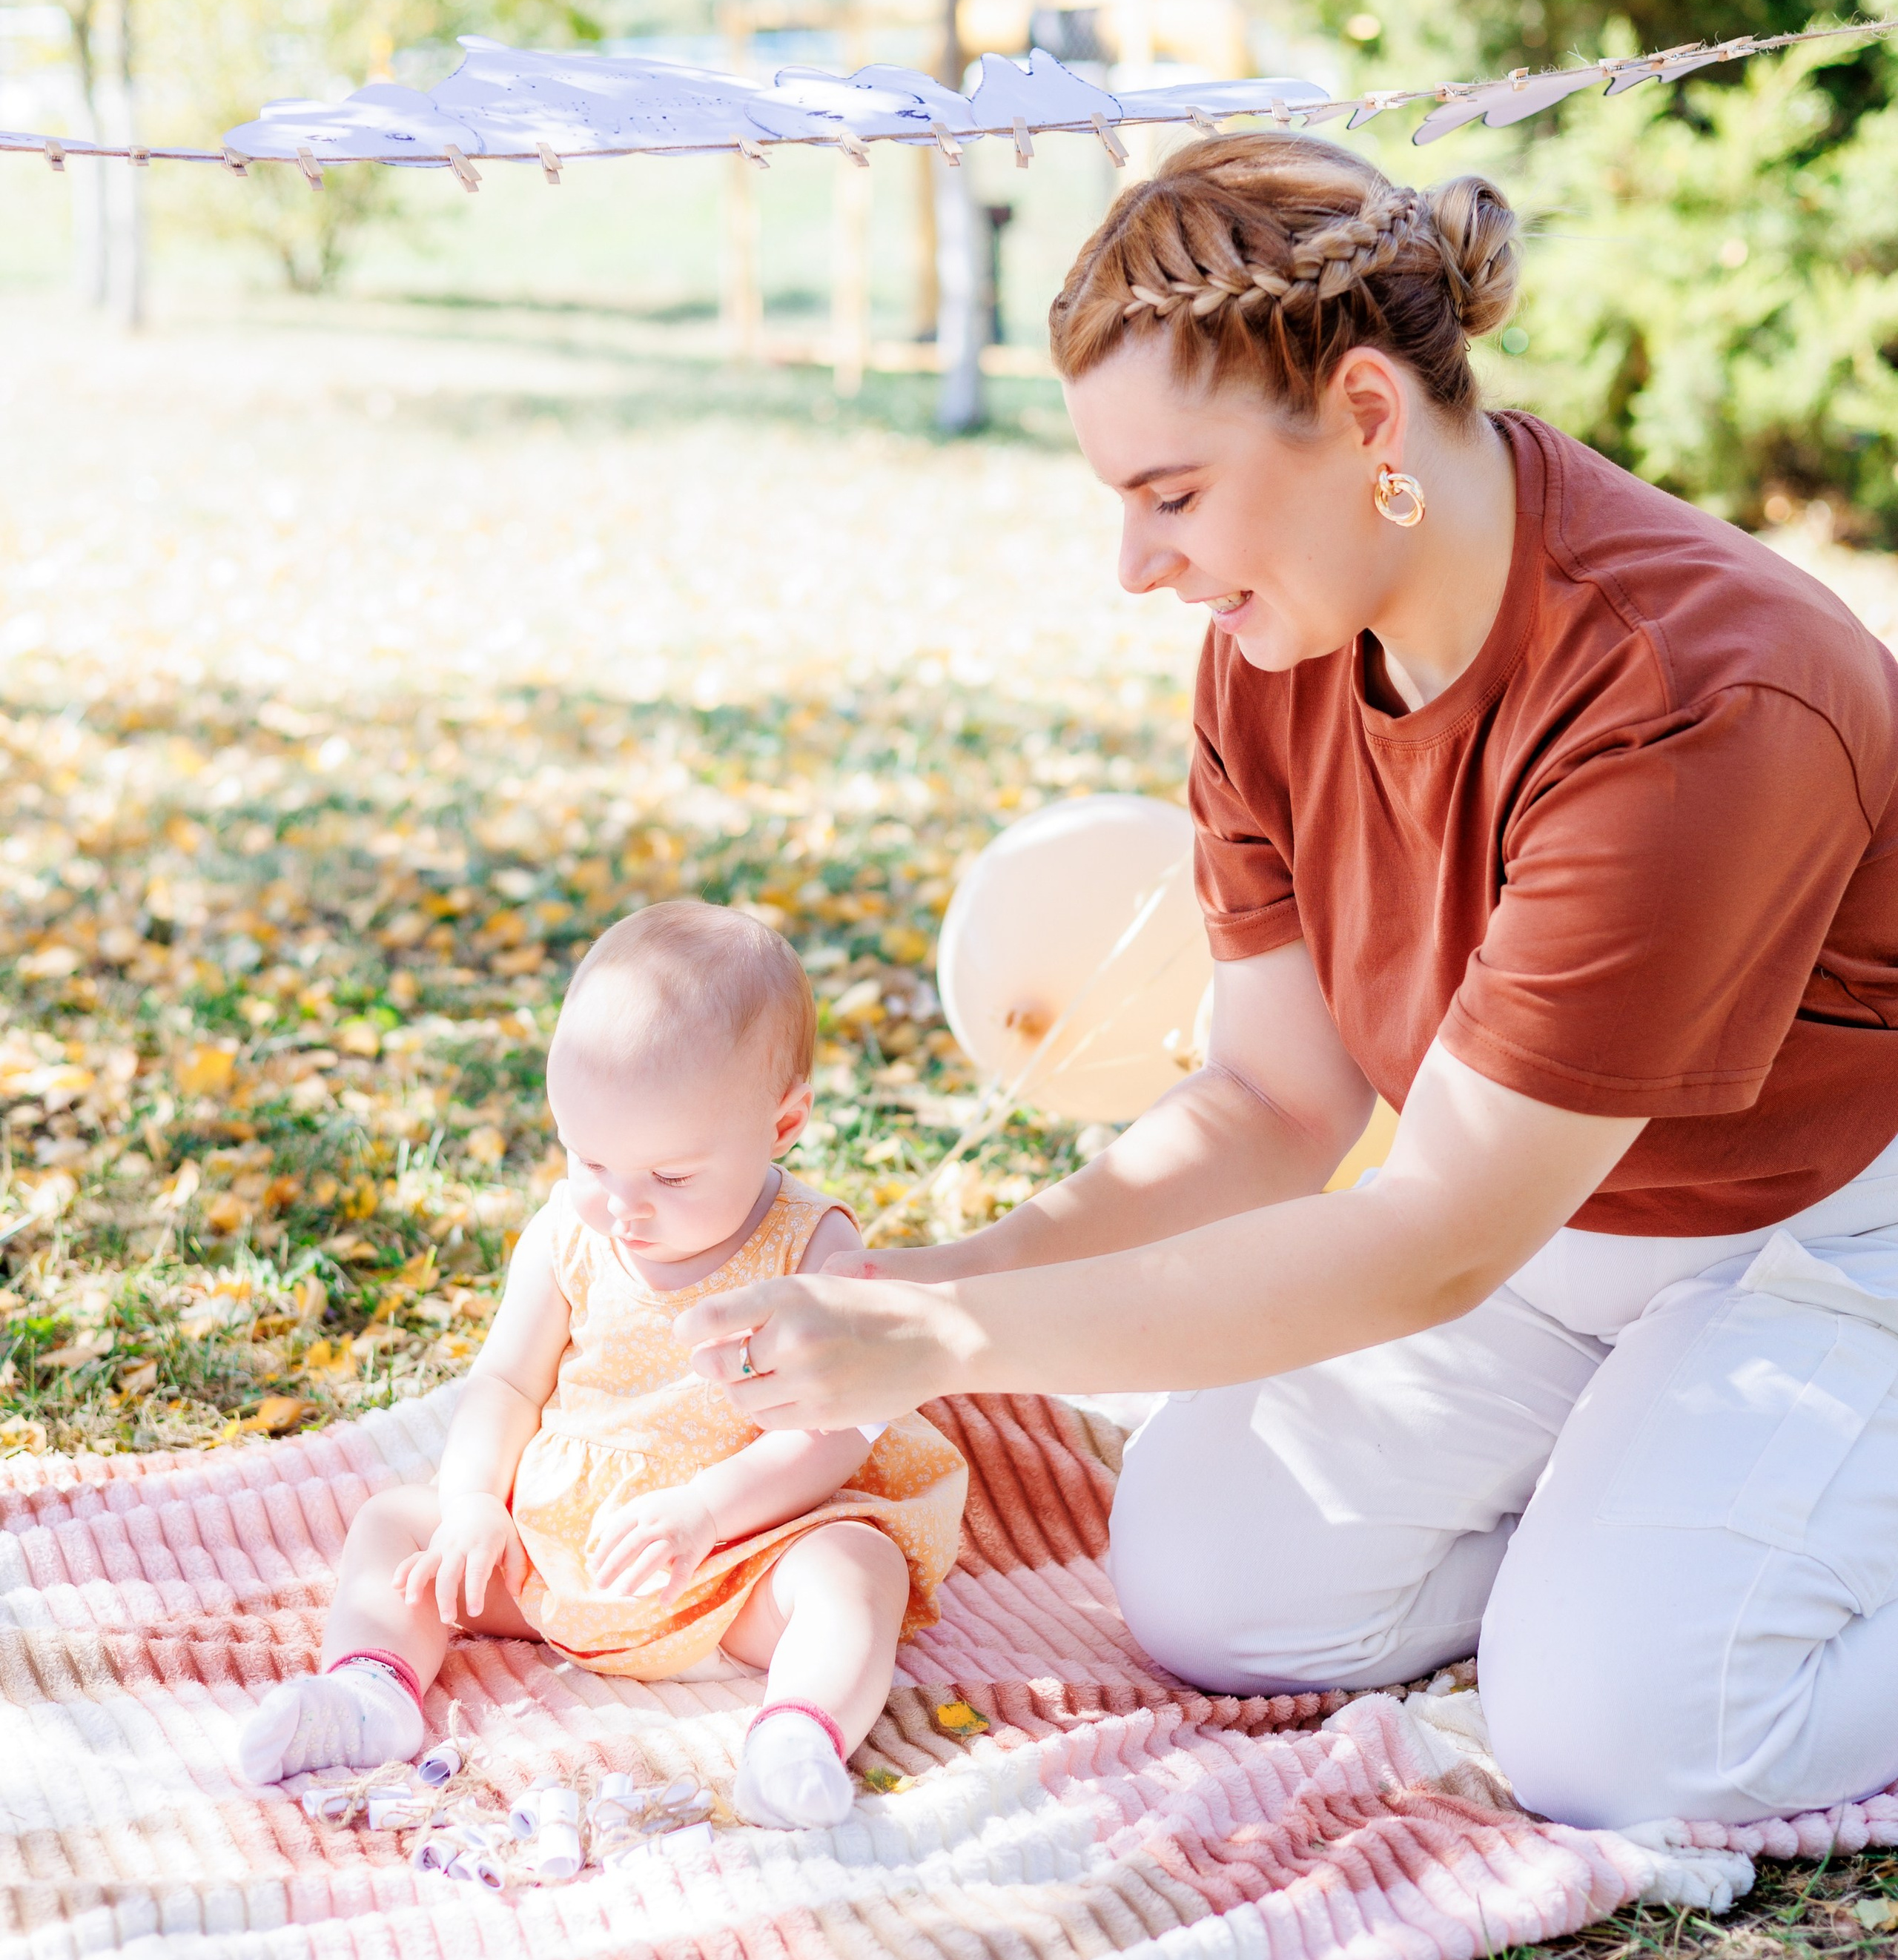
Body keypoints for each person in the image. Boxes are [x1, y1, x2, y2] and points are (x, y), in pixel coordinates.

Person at [681, 131, 1898, 1837]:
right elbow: (1270, 1102)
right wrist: (917, 1285)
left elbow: (1431, 1233)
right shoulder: (1269, 657)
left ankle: (1688, 1561)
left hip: (1826, 1241)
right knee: (1205, 1587)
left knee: (1615, 1738)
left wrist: (948, 1341)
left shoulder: (1695, 694)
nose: (1136, 564)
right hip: (1562, 1242)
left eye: (1168, 495)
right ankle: (1662, 1512)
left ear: (1368, 421)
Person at [237, 902, 966, 1829]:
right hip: (556, 1548)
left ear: (782, 1122)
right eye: (588, 1159)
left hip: (734, 1564)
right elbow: (506, 1384)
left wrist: (706, 1513)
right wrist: (471, 1506)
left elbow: (827, 1430)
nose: (624, 1207)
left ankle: (800, 1731)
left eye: (670, 1178)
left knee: (856, 1568)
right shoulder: (567, 1235)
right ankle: (369, 1691)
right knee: (398, 1526)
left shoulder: (810, 1244)